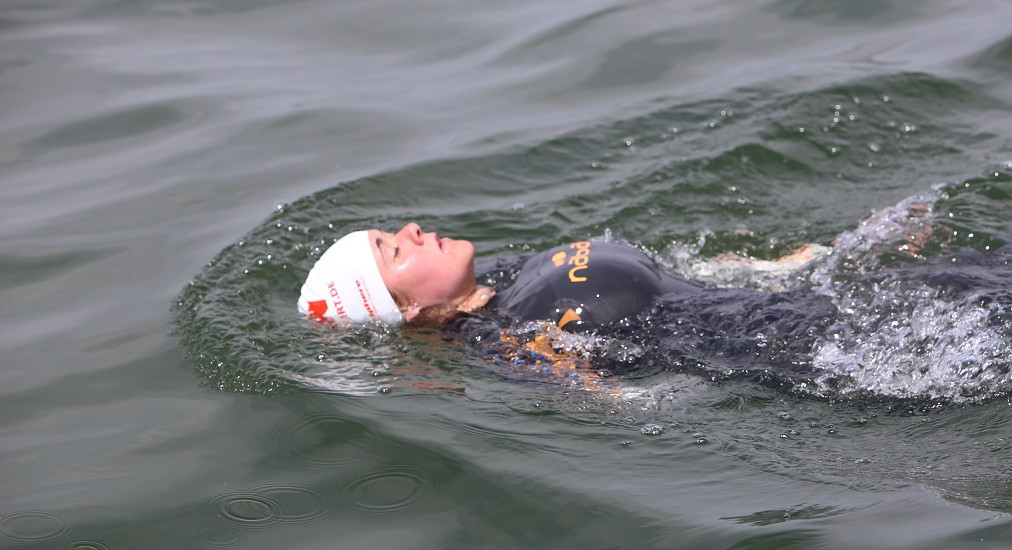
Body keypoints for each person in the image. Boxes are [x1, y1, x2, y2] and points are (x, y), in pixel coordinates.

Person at [296, 222, 826, 331]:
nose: (409, 229)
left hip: (766, 297)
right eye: (392, 251)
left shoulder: (504, 279)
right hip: (768, 335)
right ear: (406, 309)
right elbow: (577, 385)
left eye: (390, 231)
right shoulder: (499, 340)